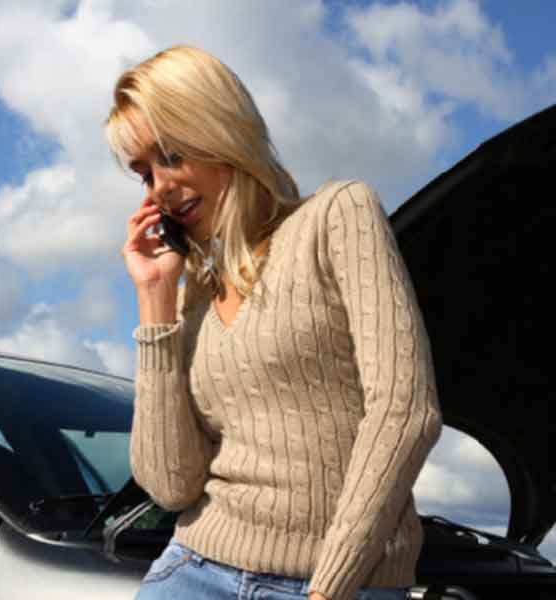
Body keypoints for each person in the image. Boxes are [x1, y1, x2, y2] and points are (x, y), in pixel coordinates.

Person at [107, 45, 443, 600]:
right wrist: (156, 296)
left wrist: (328, 588)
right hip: (194, 569)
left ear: (220, 131)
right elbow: (171, 484)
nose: (159, 188)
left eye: (170, 156)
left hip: (342, 586)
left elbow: (405, 411)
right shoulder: (195, 295)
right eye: (143, 174)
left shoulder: (337, 215)